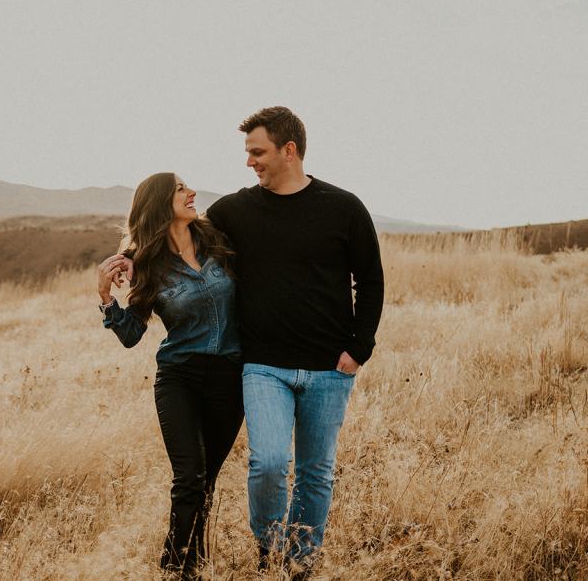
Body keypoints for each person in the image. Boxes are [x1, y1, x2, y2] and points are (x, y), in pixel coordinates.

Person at [204, 106, 384, 576]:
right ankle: (270, 549)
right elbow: (182, 235)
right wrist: (128, 257)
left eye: (257, 151)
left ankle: (300, 565)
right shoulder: (234, 210)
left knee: (314, 473)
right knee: (266, 462)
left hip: (330, 368)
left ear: (289, 150)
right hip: (264, 366)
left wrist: (358, 348)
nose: (250, 162)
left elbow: (370, 280)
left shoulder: (344, 207)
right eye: (247, 153)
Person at [96, 172, 244, 578]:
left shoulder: (218, 242)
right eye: (180, 188)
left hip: (229, 378)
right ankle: (175, 568)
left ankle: (196, 564)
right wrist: (107, 298)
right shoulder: (146, 264)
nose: (191, 192)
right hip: (179, 378)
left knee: (206, 481)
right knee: (189, 477)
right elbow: (131, 335)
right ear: (161, 203)